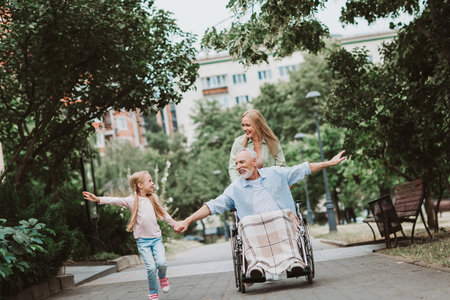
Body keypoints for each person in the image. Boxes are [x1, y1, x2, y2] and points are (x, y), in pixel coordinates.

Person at [175, 148, 346, 278]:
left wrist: (329, 163)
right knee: (246, 223)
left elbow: (302, 168)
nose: (238, 167)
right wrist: (188, 220)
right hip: (255, 228)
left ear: (254, 162)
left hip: (282, 221)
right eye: (236, 163)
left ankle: (294, 261)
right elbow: (212, 206)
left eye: (242, 162)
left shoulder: (275, 174)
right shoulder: (235, 188)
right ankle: (256, 266)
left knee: (283, 216)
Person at [83, 171, 177, 300]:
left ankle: (162, 277)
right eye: (149, 181)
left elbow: (163, 213)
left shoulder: (153, 198)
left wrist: (174, 224)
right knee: (151, 268)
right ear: (140, 185)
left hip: (156, 239)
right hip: (143, 241)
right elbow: (115, 200)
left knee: (161, 263)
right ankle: (153, 292)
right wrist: (97, 199)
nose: (153, 183)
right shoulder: (132, 200)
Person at [228, 109, 286, 183]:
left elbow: (281, 167)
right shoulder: (239, 143)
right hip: (248, 189)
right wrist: (239, 187)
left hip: (272, 186)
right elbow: (233, 169)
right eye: (243, 125)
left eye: (248, 125)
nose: (244, 128)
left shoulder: (273, 142)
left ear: (258, 125)